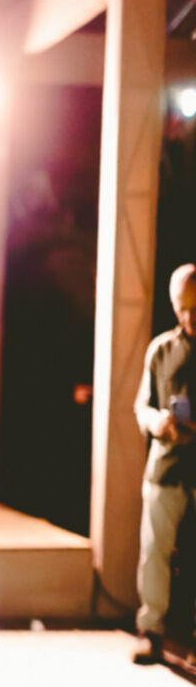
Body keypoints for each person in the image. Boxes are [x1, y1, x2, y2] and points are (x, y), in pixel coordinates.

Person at [133, 263, 196, 665]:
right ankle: (151, 631)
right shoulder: (161, 349)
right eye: (183, 306)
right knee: (154, 550)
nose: (189, 314)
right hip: (166, 467)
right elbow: (141, 405)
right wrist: (157, 421)